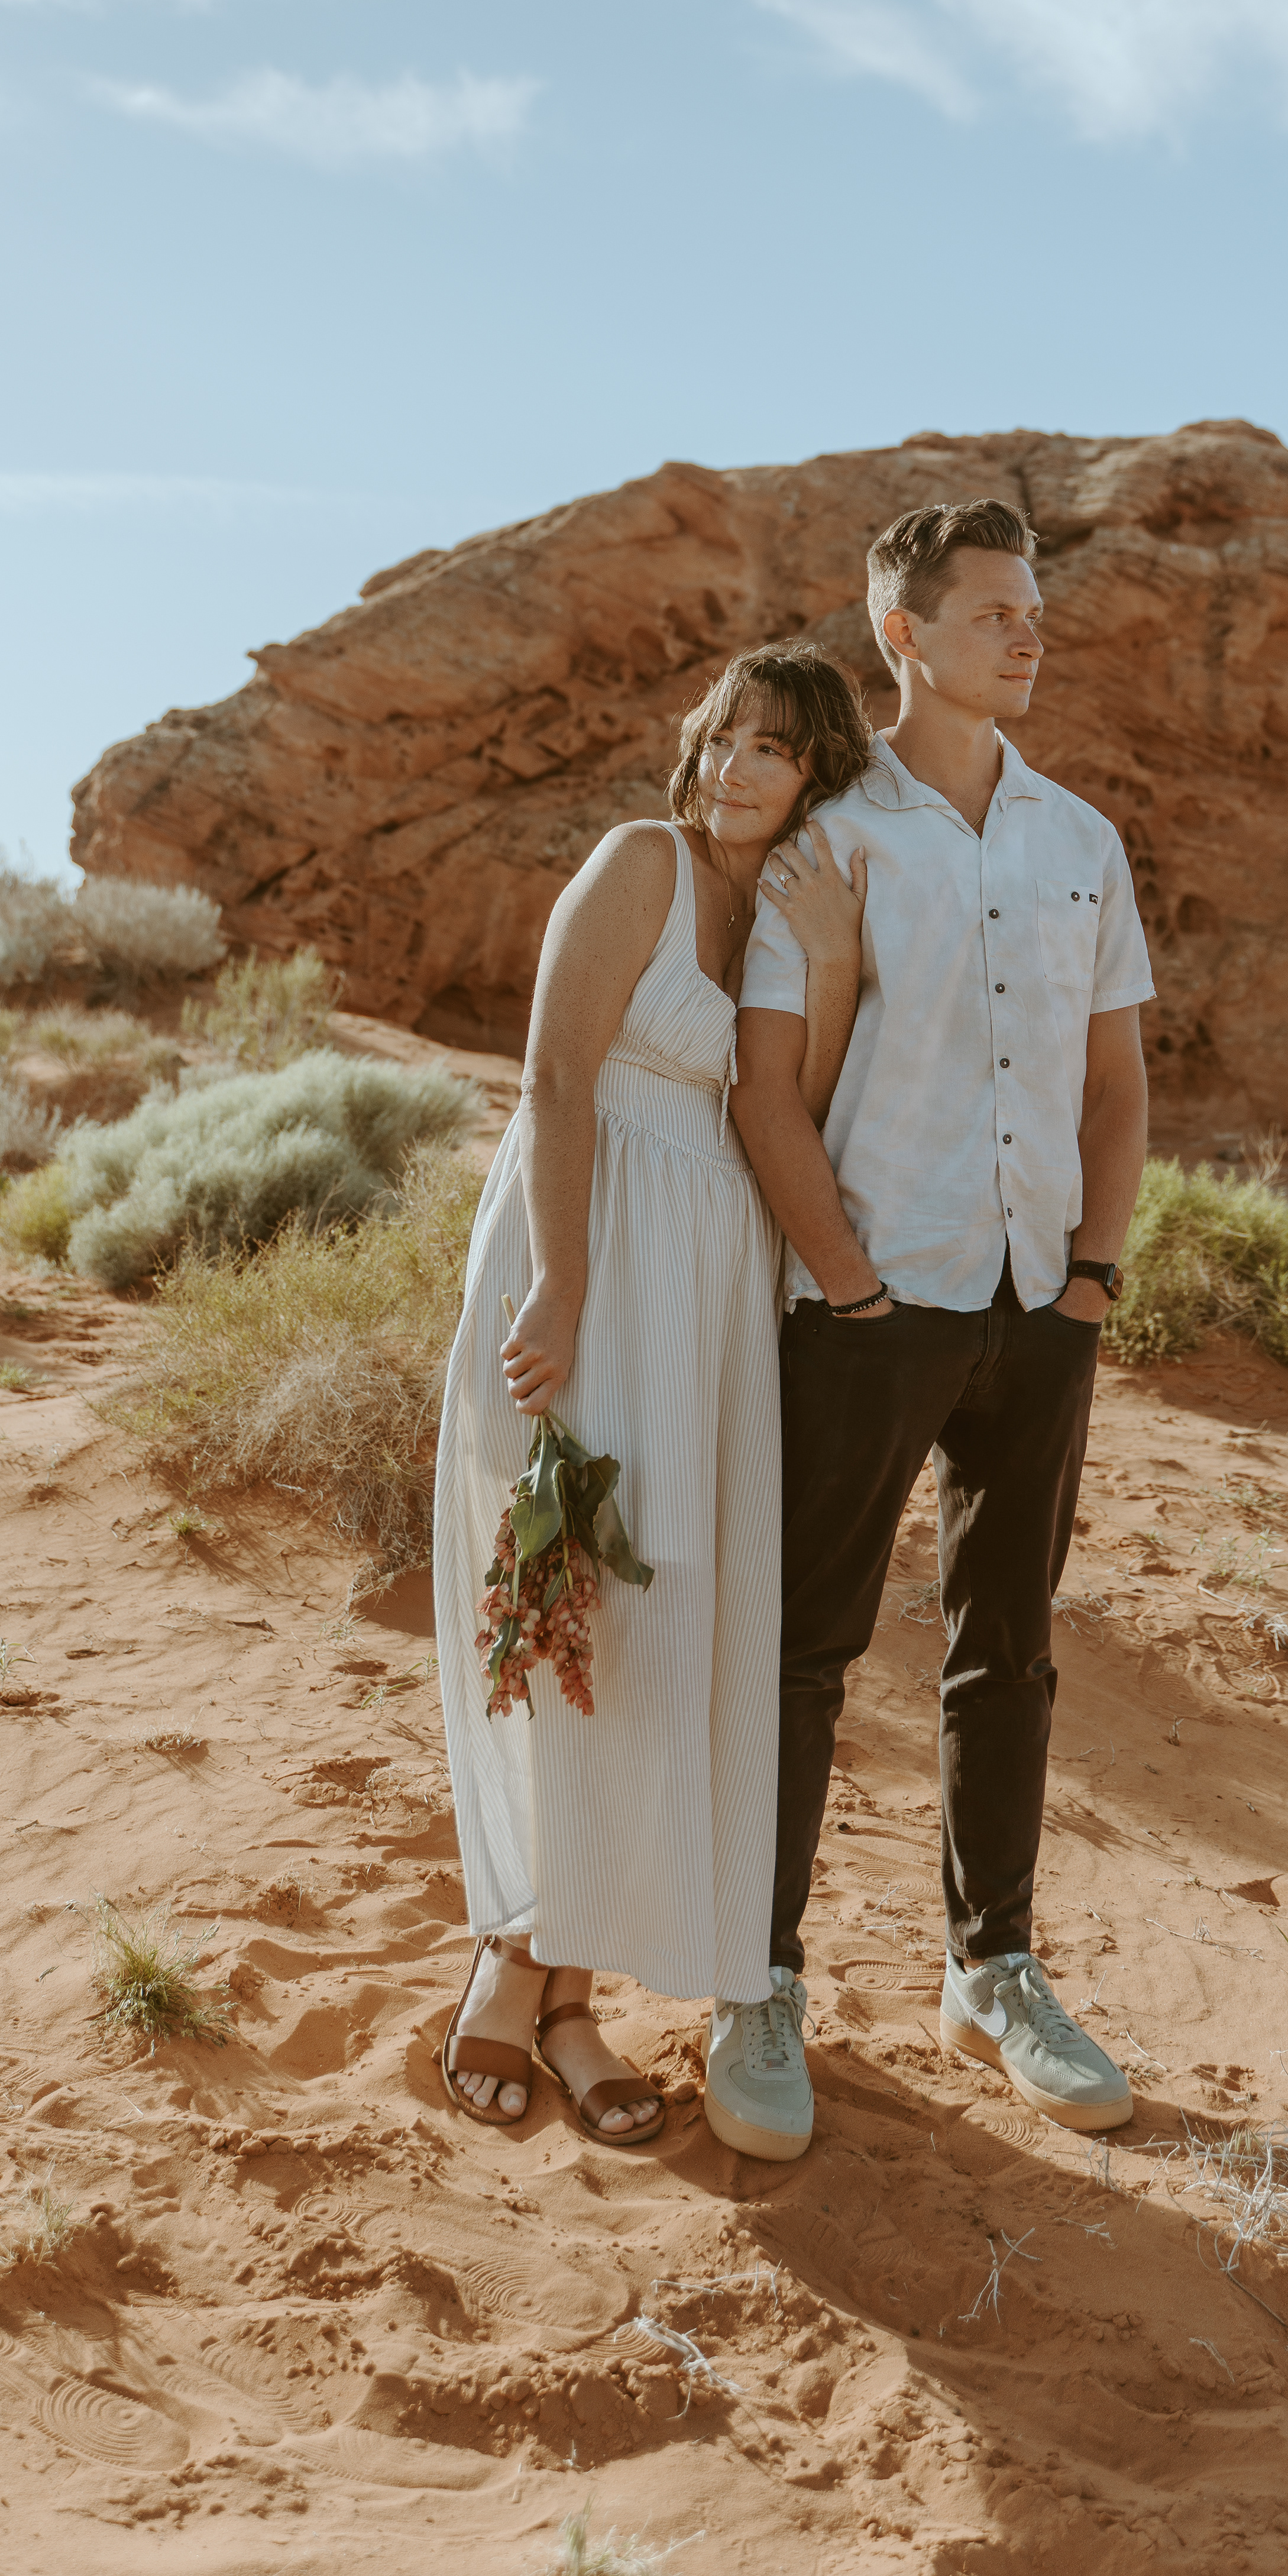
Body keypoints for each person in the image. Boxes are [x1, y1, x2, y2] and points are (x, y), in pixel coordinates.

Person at [729, 499, 1154, 2150]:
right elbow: (769, 1091)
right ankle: (756, 1981)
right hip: (868, 1303)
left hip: (1038, 1309)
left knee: (1010, 1654)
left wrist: (1094, 1279)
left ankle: (998, 1971)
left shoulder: (1081, 844)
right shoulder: (833, 841)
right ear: (902, 638)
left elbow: (1116, 1088)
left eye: (1034, 612)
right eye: (993, 615)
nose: (1028, 637)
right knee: (802, 1654)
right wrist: (846, 1279)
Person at [433, 643, 873, 2152]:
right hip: (592, 1249)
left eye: (779, 752)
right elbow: (558, 1078)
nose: (741, 768)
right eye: (727, 739)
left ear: (817, 776)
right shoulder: (644, 863)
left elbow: (789, 1122)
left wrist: (826, 961)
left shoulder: (787, 911)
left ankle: (569, 1990)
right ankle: (514, 1966)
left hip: (714, 1289)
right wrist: (558, 1285)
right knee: (570, 1596)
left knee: (662, 1619)